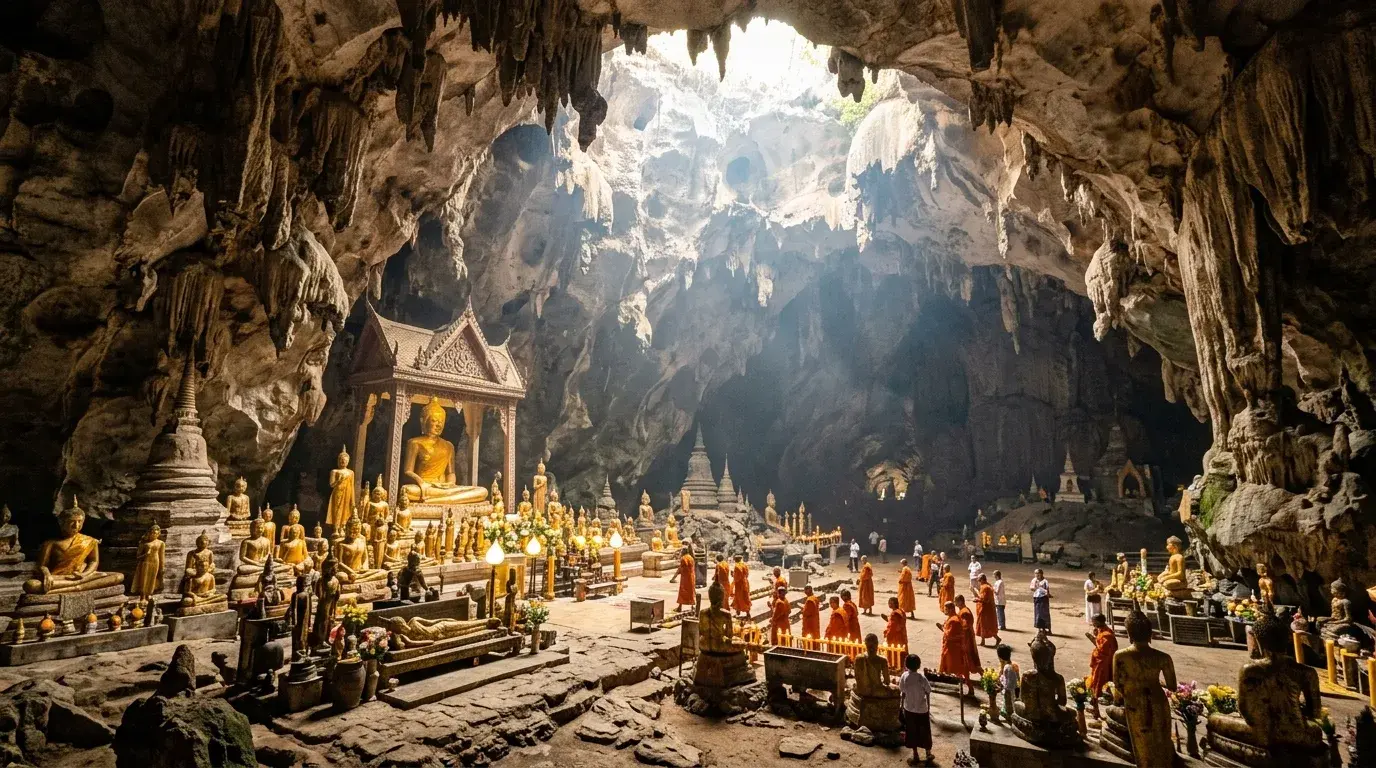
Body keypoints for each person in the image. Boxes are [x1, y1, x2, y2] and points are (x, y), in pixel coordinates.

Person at [899, 654, 935, 765]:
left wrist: (901, 706)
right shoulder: (921, 678)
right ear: (919, 665)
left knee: (911, 732)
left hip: (909, 709)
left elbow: (902, 693)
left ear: (906, 665)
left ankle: (915, 755)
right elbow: (928, 692)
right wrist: (928, 707)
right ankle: (928, 753)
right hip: (922, 710)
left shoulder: (904, 676)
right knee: (924, 731)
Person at [937, 600, 974, 695]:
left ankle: (958, 688)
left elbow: (949, 635)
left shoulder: (954, 620)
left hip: (953, 649)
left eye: (945, 609)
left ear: (950, 609)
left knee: (956, 668)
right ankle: (968, 688)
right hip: (954, 647)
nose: (944, 610)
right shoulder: (954, 618)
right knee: (961, 669)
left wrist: (942, 628)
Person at [1085, 613, 1117, 719]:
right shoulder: (1102, 631)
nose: (1092, 623)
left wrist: (1092, 638)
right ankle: (1095, 709)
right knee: (1094, 686)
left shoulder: (1107, 635)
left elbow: (1103, 651)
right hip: (1099, 663)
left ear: (1098, 622)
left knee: (1097, 686)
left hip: (1102, 665)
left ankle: (1097, 712)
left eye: (1094, 621)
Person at [956, 594, 980, 676]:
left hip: (966, 637)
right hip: (967, 636)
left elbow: (965, 625)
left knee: (969, 656)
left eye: (956, 602)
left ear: (960, 602)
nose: (955, 604)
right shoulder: (964, 610)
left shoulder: (964, 612)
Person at [975, 573, 1000, 645]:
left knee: (986, 625)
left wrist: (977, 599)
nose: (978, 582)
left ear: (982, 580)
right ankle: (983, 641)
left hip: (985, 609)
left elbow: (985, 599)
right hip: (986, 609)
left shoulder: (985, 587)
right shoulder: (987, 586)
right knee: (983, 625)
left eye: (979, 580)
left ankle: (997, 638)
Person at [997, 643, 1019, 718]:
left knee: (1008, 707)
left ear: (1000, 657)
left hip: (1009, 691)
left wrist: (1000, 682)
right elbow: (1017, 678)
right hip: (1016, 690)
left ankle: (1009, 716)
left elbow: (1007, 684)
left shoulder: (1006, 667)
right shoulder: (1015, 665)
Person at [673, 546, 696, 612]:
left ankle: (680, 607)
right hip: (691, 577)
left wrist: (674, 576)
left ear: (683, 552)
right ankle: (693, 606)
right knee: (691, 591)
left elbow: (681, 568)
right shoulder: (691, 557)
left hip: (685, 578)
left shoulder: (684, 558)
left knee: (683, 591)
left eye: (681, 551)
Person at [1030, 567, 1052, 634]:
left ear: (1041, 574)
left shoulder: (1045, 581)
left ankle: (1047, 629)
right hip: (1037, 598)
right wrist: (1036, 587)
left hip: (1044, 598)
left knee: (1045, 614)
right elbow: (1031, 588)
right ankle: (1039, 629)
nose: (1037, 575)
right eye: (1035, 573)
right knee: (1038, 613)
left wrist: (1048, 594)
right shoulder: (1034, 580)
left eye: (1038, 573)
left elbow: (1047, 590)